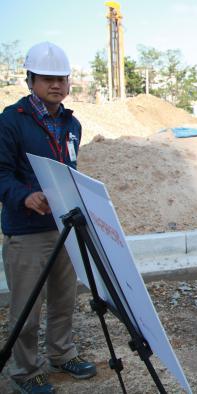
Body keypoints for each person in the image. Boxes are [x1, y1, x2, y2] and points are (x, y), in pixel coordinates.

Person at [0, 42, 96, 394]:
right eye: (47, 79)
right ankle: (26, 371)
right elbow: (1, 174)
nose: (56, 85)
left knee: (63, 299)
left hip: (65, 228)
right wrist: (25, 196)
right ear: (30, 81)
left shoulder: (72, 124)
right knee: (26, 307)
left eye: (61, 79)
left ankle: (61, 353)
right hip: (27, 233)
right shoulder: (11, 122)